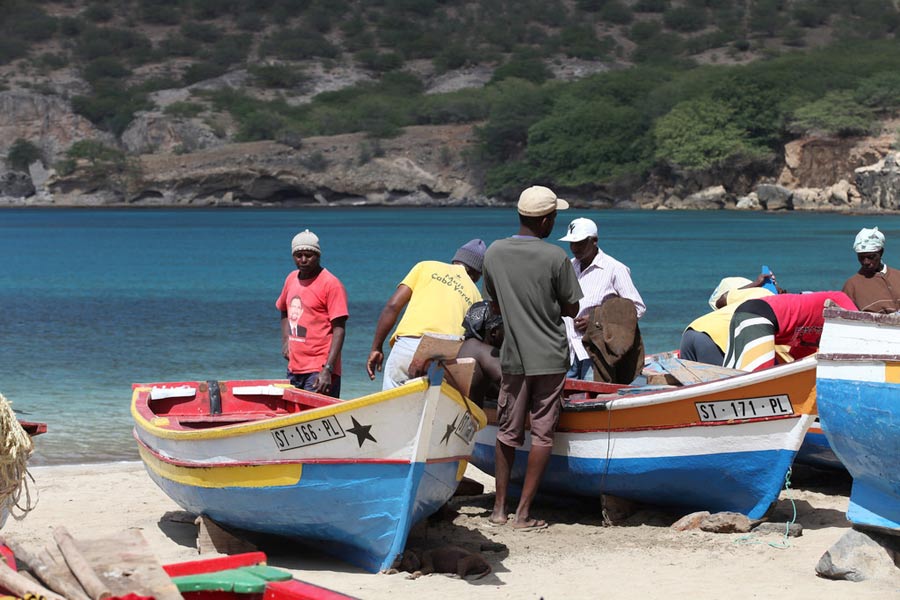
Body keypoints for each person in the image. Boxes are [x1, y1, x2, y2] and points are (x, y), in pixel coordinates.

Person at [482, 185, 582, 530]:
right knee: (542, 435)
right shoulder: (555, 257)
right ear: (545, 221)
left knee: (507, 432)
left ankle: (498, 509)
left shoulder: (493, 252)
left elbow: (494, 304)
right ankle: (524, 513)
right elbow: (572, 307)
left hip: (514, 356)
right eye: (554, 217)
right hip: (551, 357)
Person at [366, 239, 486, 390]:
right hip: (445, 355)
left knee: (392, 403)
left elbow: (393, 306)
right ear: (477, 274)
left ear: (456, 259)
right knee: (429, 407)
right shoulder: (476, 295)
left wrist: (376, 348)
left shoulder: (426, 266)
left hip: (409, 345)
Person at [558, 217, 646, 380]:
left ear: (594, 241)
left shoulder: (615, 269)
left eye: (580, 243)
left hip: (595, 352)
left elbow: (637, 309)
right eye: (571, 243)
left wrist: (596, 321)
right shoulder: (568, 267)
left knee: (592, 400)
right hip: (568, 351)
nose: (574, 248)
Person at [276, 229, 349, 397]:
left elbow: (339, 329)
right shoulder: (291, 279)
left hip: (320, 369)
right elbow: (284, 309)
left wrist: (328, 370)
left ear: (318, 255)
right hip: (295, 368)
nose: (303, 260)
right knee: (296, 419)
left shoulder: (331, 284)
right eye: (298, 255)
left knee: (317, 419)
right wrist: (286, 340)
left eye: (308, 255)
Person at [722, 291, 857, 372]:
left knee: (736, 372)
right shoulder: (840, 300)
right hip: (763, 314)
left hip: (749, 311)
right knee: (758, 377)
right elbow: (860, 327)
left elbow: (799, 361)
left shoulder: (812, 336)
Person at [680, 274, 777, 365]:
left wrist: (755, 284)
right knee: (721, 380)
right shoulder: (772, 300)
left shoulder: (745, 296)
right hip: (713, 339)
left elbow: (720, 301)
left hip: (691, 331)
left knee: (691, 381)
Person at [456, 301, 504, 407]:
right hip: (468, 420)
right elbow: (509, 383)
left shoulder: (462, 348)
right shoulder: (484, 351)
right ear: (494, 332)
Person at [842, 226, 900, 313]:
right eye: (861, 257)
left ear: (881, 253)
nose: (866, 262)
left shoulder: (897, 276)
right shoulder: (851, 286)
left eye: (871, 257)